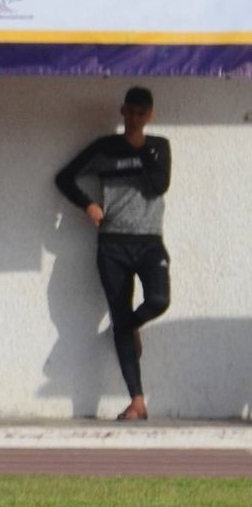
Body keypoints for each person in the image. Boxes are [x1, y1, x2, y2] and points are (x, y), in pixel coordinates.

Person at [55, 86, 171, 421]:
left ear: (150, 115)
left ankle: (129, 325)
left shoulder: (159, 147)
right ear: (122, 111)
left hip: (149, 241)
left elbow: (160, 185)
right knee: (119, 311)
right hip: (112, 243)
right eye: (130, 112)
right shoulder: (105, 148)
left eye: (141, 113)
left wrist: (140, 147)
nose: (134, 118)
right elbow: (64, 178)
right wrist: (88, 205)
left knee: (158, 299)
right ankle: (137, 401)